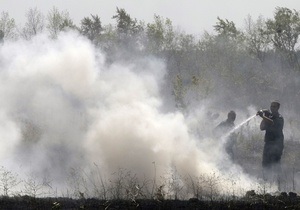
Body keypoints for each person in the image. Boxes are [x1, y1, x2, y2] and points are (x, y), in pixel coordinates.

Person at [257, 101, 284, 185]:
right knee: (265, 164)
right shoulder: (269, 117)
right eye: (271, 106)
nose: (272, 108)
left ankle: (278, 184)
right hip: (268, 143)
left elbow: (272, 123)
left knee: (276, 164)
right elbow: (261, 127)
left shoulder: (279, 117)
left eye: (274, 107)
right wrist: (265, 115)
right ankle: (266, 184)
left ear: (278, 108)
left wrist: (263, 116)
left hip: (277, 144)